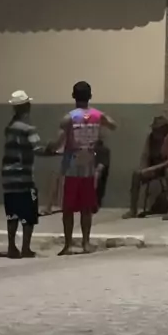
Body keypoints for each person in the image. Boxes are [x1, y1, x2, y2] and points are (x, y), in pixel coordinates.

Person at [47, 81, 117, 255]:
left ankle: (68, 245)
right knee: (86, 208)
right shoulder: (97, 115)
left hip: (70, 167)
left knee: (68, 208)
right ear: (90, 96)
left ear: (73, 96)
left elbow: (58, 142)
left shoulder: (68, 118)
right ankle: (86, 243)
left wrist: (49, 148)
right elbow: (113, 124)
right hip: (89, 167)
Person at [2, 90, 43, 259]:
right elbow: (38, 149)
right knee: (28, 214)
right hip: (24, 177)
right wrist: (56, 150)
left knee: (12, 214)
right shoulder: (28, 129)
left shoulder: (10, 128)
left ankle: (12, 247)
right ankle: (26, 248)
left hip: (8, 177)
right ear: (27, 106)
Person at [122, 116, 168, 219]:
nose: (155, 131)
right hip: (155, 168)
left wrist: (151, 169)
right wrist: (143, 169)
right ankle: (133, 210)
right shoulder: (151, 138)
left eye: (158, 129)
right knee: (136, 174)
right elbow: (145, 155)